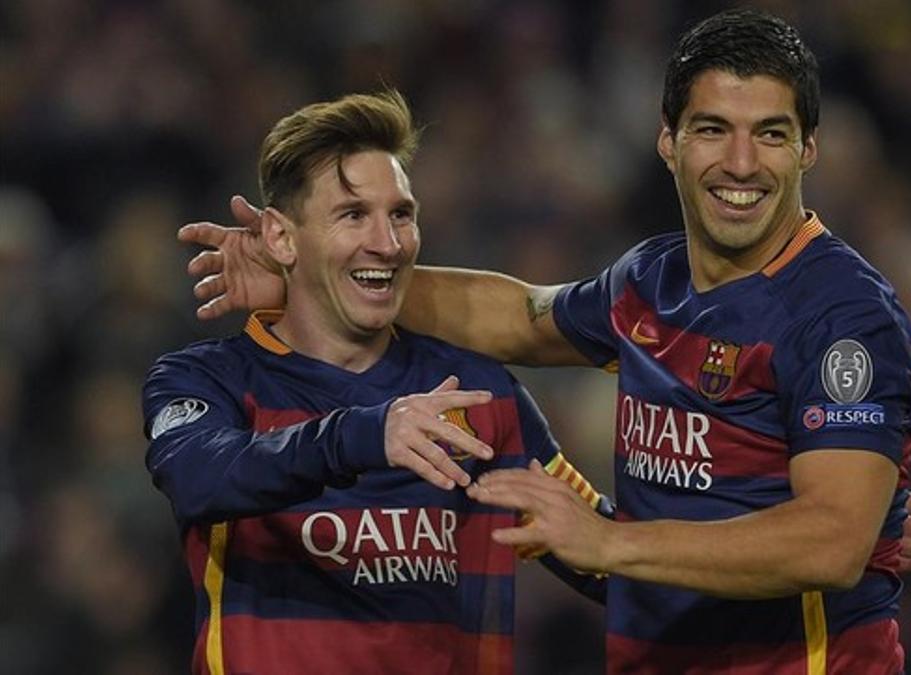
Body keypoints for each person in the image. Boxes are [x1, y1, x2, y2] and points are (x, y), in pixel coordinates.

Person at [180, 10, 911, 672]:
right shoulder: (649, 282)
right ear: (668, 141)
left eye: (770, 133)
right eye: (712, 129)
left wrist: (606, 542)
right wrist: (317, 277)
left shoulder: (842, 317)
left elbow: (829, 543)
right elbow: (518, 317)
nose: (739, 162)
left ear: (808, 149)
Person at [144, 89, 610, 675]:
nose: (387, 244)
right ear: (283, 238)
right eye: (353, 214)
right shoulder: (208, 379)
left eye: (401, 214)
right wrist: (368, 434)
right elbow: (201, 479)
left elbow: (602, 557)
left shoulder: (476, 393)